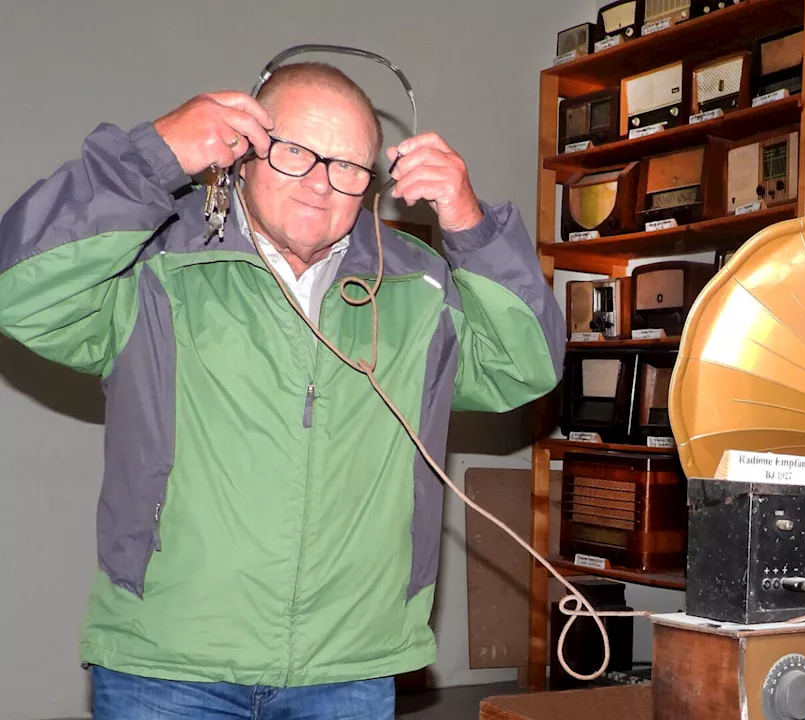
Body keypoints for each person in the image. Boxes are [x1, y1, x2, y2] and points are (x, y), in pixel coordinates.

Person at [0, 62, 565, 718]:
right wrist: (150, 158)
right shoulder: (154, 266)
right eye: (297, 153)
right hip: (167, 667)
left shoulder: (417, 288)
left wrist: (472, 227)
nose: (322, 184)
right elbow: (20, 290)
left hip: (348, 671)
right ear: (243, 151)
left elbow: (525, 366)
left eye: (349, 167)